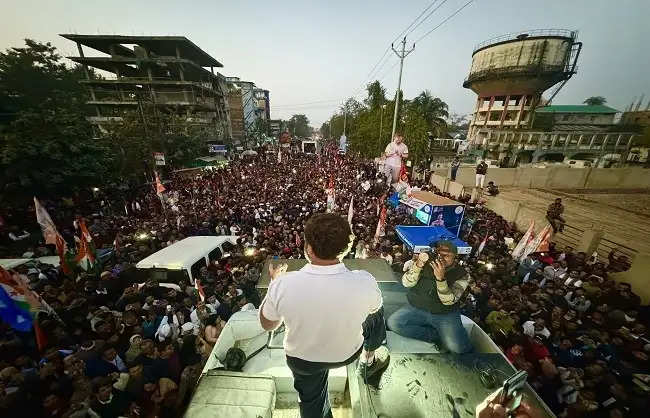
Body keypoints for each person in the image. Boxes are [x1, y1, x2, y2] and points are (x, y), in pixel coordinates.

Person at [258, 213, 388, 418]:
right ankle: (368, 359)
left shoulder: (283, 284)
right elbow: (374, 309)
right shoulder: (365, 281)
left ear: (308, 248)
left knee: (312, 402)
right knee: (377, 310)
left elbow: (268, 325)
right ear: (346, 249)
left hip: (302, 359)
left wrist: (274, 284)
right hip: (346, 354)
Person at [388, 240, 473, 354]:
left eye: (446, 255)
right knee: (394, 323)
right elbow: (406, 283)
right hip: (418, 307)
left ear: (455, 257)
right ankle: (435, 336)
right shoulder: (426, 263)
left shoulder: (462, 275)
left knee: (457, 348)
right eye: (439, 254)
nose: (441, 258)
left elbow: (449, 301)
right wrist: (417, 266)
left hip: (445, 313)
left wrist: (440, 279)